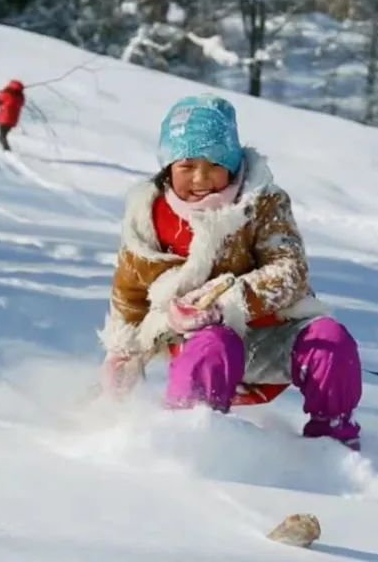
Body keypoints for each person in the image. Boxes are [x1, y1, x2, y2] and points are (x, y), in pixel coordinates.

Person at [97, 95, 363, 450]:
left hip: (271, 334)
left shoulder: (260, 202)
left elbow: (289, 269)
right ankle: (184, 439)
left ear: (234, 163)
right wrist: (124, 353)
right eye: (187, 165)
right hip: (200, 345)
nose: (201, 178)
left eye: (215, 164)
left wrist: (227, 304)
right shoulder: (149, 215)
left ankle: (334, 443)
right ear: (167, 167)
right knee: (214, 342)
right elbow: (130, 289)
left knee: (330, 341)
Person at [0, 80, 25, 151]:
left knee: (2, 135)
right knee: (4, 133)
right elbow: (22, 103)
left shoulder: (7, 93)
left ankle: (6, 149)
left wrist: (0, 94)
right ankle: (1, 144)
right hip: (13, 119)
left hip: (4, 117)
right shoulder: (21, 96)